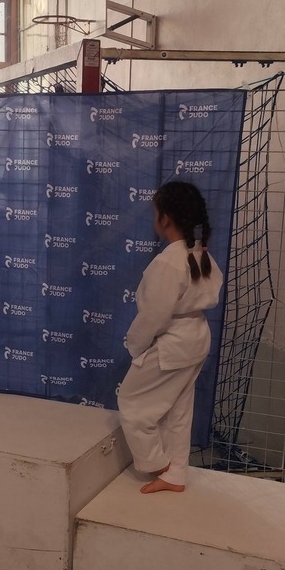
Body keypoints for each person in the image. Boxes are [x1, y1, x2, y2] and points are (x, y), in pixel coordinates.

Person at [118, 180, 224, 494]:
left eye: (155, 213)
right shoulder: (201, 255)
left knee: (132, 402)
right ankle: (176, 474)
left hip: (173, 341)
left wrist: (135, 346)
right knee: (178, 408)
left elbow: (154, 316)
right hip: (196, 337)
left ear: (164, 218)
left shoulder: (168, 261)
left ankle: (156, 464)